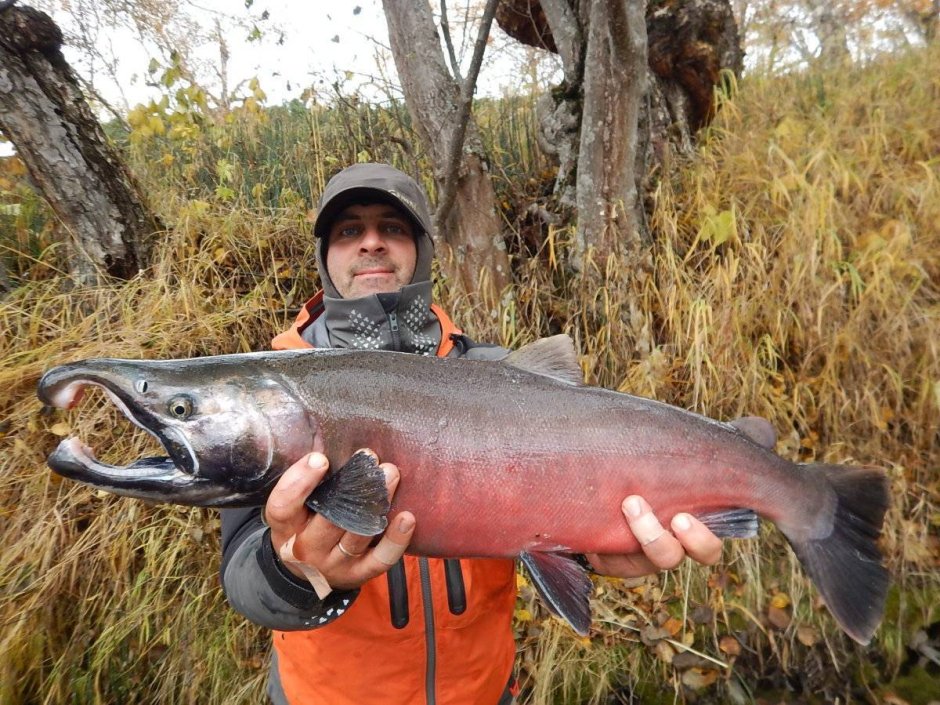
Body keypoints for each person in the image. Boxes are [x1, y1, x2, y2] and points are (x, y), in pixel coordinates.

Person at [220, 163, 724, 705]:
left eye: (391, 227)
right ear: (325, 256)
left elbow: (558, 507)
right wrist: (294, 572)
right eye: (349, 231)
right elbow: (243, 576)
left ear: (420, 249)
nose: (371, 243)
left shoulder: (496, 372)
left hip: (485, 691)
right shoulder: (271, 394)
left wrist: (592, 552)